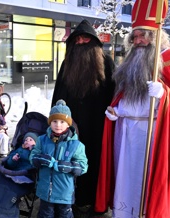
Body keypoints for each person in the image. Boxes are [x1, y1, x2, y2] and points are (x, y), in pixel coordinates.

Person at [96, 1, 170, 217]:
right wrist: (116, 110)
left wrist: (166, 95)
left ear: (156, 36)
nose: (138, 41)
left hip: (153, 135)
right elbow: (126, 95)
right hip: (126, 132)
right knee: (125, 178)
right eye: (135, 37)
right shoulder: (131, 61)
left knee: (146, 179)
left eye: (144, 35)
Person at [51, 19, 115, 217]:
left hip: (97, 126)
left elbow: (114, 94)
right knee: (68, 161)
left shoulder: (106, 62)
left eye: (85, 38)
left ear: (94, 42)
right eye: (77, 39)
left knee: (93, 162)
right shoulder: (66, 64)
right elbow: (59, 94)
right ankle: (70, 199)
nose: (80, 42)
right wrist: (57, 117)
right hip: (71, 125)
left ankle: (92, 200)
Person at [30, 99, 88, 218]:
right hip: (45, 191)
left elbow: (83, 167)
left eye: (62, 121)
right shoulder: (42, 140)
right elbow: (32, 158)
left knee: (64, 215)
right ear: (50, 122)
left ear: (68, 123)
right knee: (46, 214)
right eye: (54, 121)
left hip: (64, 193)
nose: (58, 125)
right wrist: (40, 159)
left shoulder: (76, 145)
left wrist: (68, 166)